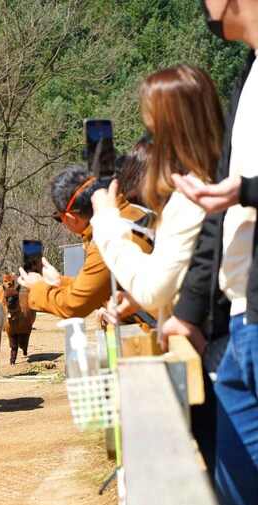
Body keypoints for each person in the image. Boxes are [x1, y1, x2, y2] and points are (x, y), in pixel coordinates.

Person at [161, 3, 258, 505]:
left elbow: (230, 194)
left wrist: (245, 190)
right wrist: (191, 312)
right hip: (239, 320)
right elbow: (219, 210)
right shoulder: (248, 74)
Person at [90, 64, 223, 323]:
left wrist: (106, 222)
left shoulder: (194, 195)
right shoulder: (224, 181)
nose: (149, 145)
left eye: (153, 132)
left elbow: (153, 288)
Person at [18, 166, 152, 319]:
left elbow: (74, 305)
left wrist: (37, 288)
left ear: (71, 218)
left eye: (60, 218)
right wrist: (59, 282)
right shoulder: (134, 213)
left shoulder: (106, 240)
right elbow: (98, 287)